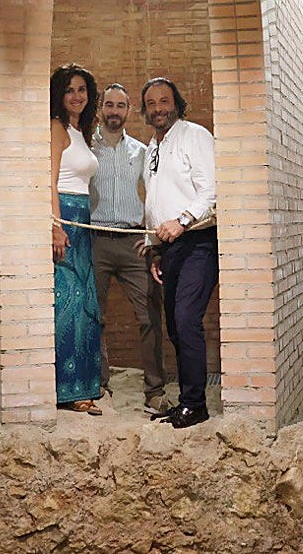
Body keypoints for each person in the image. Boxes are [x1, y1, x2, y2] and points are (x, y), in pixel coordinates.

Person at [139, 77, 218, 429]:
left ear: (177, 103)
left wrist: (183, 222)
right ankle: (186, 401)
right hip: (169, 248)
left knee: (186, 320)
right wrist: (156, 251)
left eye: (165, 100)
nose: (158, 108)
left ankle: (196, 405)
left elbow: (211, 192)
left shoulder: (195, 136)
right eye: (152, 103)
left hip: (198, 242)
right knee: (174, 325)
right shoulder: (152, 147)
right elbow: (154, 203)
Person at [89, 83, 169, 415]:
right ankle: (97, 385)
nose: (113, 111)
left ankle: (155, 390)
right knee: (93, 317)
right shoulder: (84, 148)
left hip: (134, 241)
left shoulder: (140, 151)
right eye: (108, 105)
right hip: (94, 241)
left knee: (150, 316)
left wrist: (153, 240)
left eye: (120, 106)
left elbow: (154, 196)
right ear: (100, 109)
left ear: (128, 110)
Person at [50, 63, 103, 415]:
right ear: (59, 94)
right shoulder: (56, 128)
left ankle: (85, 383)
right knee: (67, 302)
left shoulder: (80, 130)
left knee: (85, 304)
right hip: (65, 217)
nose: (77, 95)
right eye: (70, 89)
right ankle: (66, 389)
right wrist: (55, 225)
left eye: (82, 89)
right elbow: (47, 178)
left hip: (82, 220)